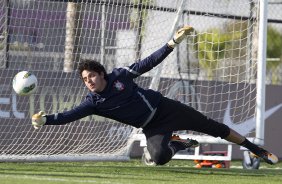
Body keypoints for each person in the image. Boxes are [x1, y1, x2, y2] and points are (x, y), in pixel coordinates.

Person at [32, 26, 278, 166]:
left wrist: (172, 43)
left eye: (91, 76)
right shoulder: (92, 103)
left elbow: (148, 62)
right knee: (159, 158)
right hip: (152, 126)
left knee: (214, 127)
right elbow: (68, 115)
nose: (89, 82)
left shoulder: (120, 76)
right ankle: (178, 143)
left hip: (166, 108)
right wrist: (45, 120)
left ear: (102, 73)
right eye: (85, 80)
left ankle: (256, 149)